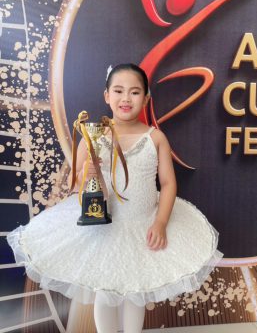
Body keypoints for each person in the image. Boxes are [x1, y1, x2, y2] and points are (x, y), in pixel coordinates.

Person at [7, 63, 223, 333]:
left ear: (146, 98)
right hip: (102, 228)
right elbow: (75, 184)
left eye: (135, 92)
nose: (126, 98)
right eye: (119, 91)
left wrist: (160, 222)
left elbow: (168, 184)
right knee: (105, 289)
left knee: (136, 290)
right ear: (107, 96)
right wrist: (90, 172)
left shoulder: (156, 138)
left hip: (142, 225)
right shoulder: (93, 137)